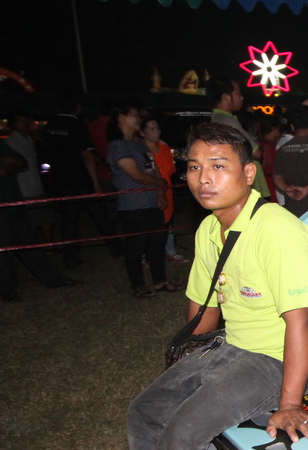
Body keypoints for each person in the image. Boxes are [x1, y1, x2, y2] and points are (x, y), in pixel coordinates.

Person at [82, 123, 308, 450]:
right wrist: (189, 368)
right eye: (195, 167)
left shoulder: (278, 231)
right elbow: (203, 310)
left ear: (249, 173)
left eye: (219, 166)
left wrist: (289, 404)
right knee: (146, 412)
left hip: (282, 357)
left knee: (186, 430)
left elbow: (299, 324)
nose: (204, 178)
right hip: (234, 345)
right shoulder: (208, 228)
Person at [106, 105, 178, 298]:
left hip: (152, 201)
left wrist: (160, 192)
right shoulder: (118, 146)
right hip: (133, 204)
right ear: (121, 118)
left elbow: (153, 168)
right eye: (133, 115)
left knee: (156, 244)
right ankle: (138, 285)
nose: (138, 119)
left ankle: (160, 280)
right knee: (135, 247)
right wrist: (159, 183)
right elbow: (136, 174)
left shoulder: (139, 144)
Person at [42, 94, 122, 266]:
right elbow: (86, 155)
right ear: (77, 107)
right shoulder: (77, 125)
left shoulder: (49, 126)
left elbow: (46, 154)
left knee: (69, 220)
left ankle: (70, 257)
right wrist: (95, 181)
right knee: (100, 216)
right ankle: (116, 248)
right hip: (81, 179)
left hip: (62, 180)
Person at [0, 140, 81, 301]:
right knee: (5, 251)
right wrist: (10, 164)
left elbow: (23, 163)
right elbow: (3, 171)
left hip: (15, 203)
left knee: (30, 245)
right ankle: (8, 290)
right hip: (3, 207)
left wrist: (9, 164)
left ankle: (54, 280)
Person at [207, 75, 270, 199]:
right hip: (249, 188)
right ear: (226, 97)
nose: (241, 97)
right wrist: (259, 145)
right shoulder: (227, 121)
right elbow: (257, 152)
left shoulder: (217, 119)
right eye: (238, 93)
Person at [141, 116, 184, 263]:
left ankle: (170, 252)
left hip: (167, 189)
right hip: (150, 191)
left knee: (168, 221)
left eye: (157, 128)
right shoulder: (140, 150)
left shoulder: (164, 148)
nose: (156, 132)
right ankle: (148, 255)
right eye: (151, 129)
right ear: (142, 132)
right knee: (151, 224)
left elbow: (170, 169)